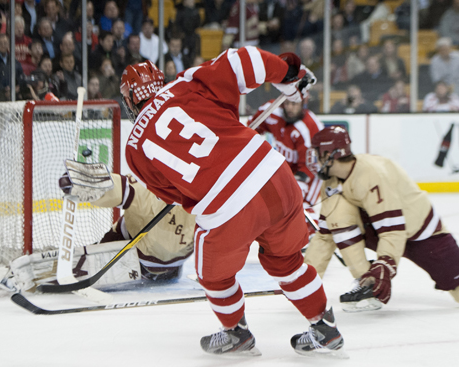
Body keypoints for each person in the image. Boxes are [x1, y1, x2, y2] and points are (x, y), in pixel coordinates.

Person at [120, 50, 345, 357]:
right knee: (286, 261)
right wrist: (286, 75)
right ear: (159, 80)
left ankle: (236, 332)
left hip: (226, 207)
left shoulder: (133, 148)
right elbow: (241, 60)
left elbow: (172, 194)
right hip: (274, 174)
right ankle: (324, 326)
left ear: (131, 99)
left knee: (214, 274)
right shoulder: (186, 83)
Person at [304, 126, 459, 312]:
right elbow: (324, 235)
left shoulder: (371, 174)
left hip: (421, 231)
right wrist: (307, 278)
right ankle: (366, 283)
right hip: (379, 229)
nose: (314, 159)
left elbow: (392, 229)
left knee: (455, 282)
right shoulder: (331, 182)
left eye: (317, 153)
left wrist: (384, 266)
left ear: (330, 153)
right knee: (336, 215)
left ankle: (375, 277)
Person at [2, 171, 196, 291]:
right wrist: (85, 181)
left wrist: (85, 181)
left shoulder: (151, 189)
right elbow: (120, 188)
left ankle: (37, 274)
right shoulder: (205, 195)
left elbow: (121, 188)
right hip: (166, 263)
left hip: (139, 255)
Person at [248, 97, 325, 234]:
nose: (289, 108)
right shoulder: (272, 111)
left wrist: (293, 186)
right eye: (287, 103)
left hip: (312, 171)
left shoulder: (309, 127)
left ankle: (313, 237)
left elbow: (310, 166)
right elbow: (252, 126)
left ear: (303, 103)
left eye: (294, 104)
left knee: (301, 202)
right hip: (288, 169)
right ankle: (291, 236)